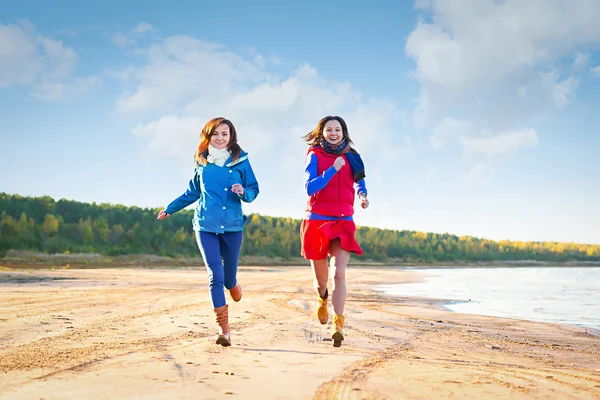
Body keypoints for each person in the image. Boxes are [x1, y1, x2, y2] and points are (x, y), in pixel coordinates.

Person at [157, 117, 259, 347]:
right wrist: (170, 209)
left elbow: (254, 190)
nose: (220, 138)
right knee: (215, 276)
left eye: (225, 134)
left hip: (232, 227)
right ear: (208, 136)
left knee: (228, 277)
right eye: (216, 134)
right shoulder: (201, 162)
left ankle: (234, 284)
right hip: (205, 226)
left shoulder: (241, 162)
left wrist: (243, 191)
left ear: (231, 137)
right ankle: (224, 330)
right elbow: (192, 193)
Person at [300, 115, 369, 348]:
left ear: (343, 132)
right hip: (317, 221)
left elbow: (359, 180)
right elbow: (310, 187)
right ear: (322, 133)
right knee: (321, 281)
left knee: (338, 272)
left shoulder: (352, 156)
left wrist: (362, 195)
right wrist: (332, 169)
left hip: (343, 221)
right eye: (329, 129)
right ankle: (322, 297)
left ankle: (338, 324)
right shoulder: (315, 155)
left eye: (337, 129)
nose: (333, 133)